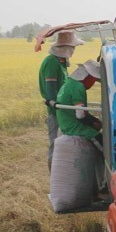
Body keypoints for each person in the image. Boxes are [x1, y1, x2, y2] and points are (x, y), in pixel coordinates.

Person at [56, 60, 106, 196]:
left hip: (66, 125)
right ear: (87, 77)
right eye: (93, 80)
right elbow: (80, 114)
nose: (93, 83)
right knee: (107, 150)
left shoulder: (68, 84)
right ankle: (105, 185)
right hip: (77, 128)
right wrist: (94, 123)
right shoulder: (78, 87)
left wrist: (94, 120)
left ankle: (99, 185)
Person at [39, 31, 84, 169]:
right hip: (56, 111)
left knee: (62, 144)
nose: (74, 50)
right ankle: (54, 177)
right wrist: (56, 105)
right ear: (66, 48)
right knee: (56, 144)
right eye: (73, 47)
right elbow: (51, 90)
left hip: (64, 111)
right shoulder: (52, 62)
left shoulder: (61, 62)